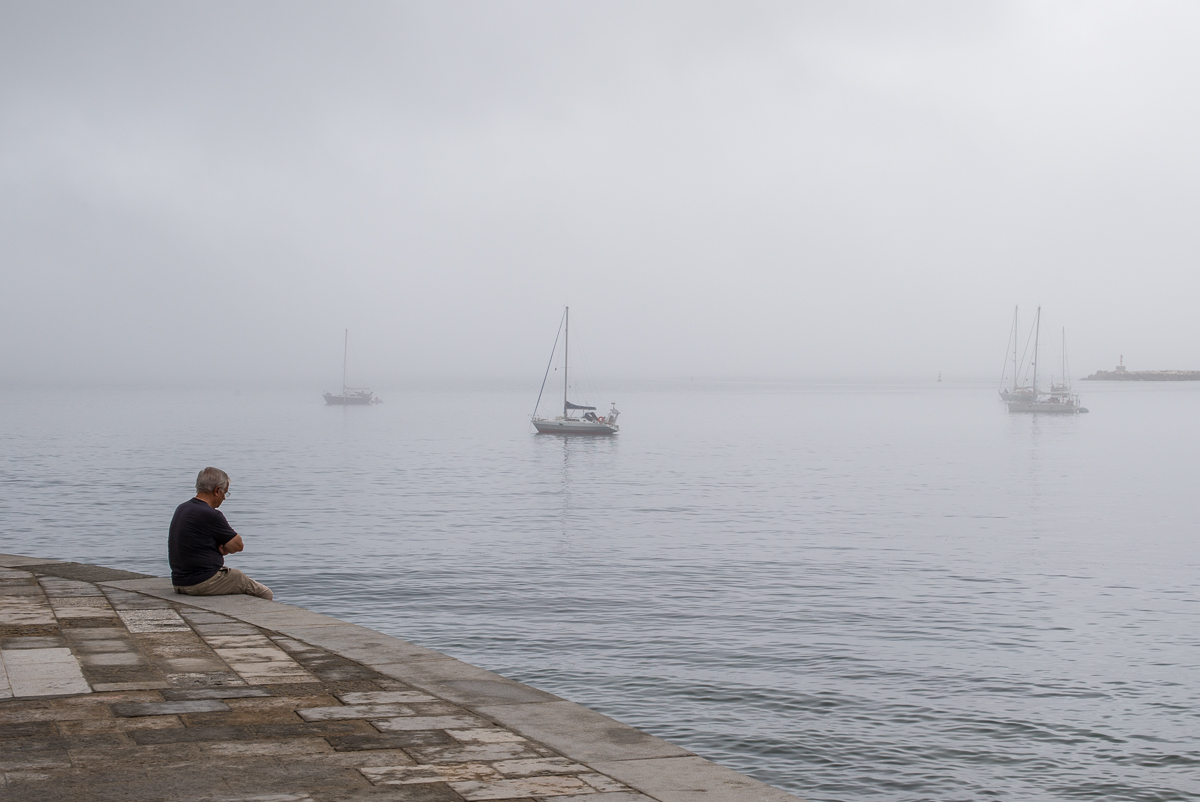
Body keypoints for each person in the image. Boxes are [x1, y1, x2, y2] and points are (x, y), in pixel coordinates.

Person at [168, 467, 273, 600]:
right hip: (201, 582)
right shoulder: (211, 514)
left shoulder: (182, 508)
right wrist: (224, 546)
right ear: (217, 490)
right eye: (225, 493)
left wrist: (219, 546)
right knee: (264, 592)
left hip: (179, 582)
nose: (224, 498)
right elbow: (238, 545)